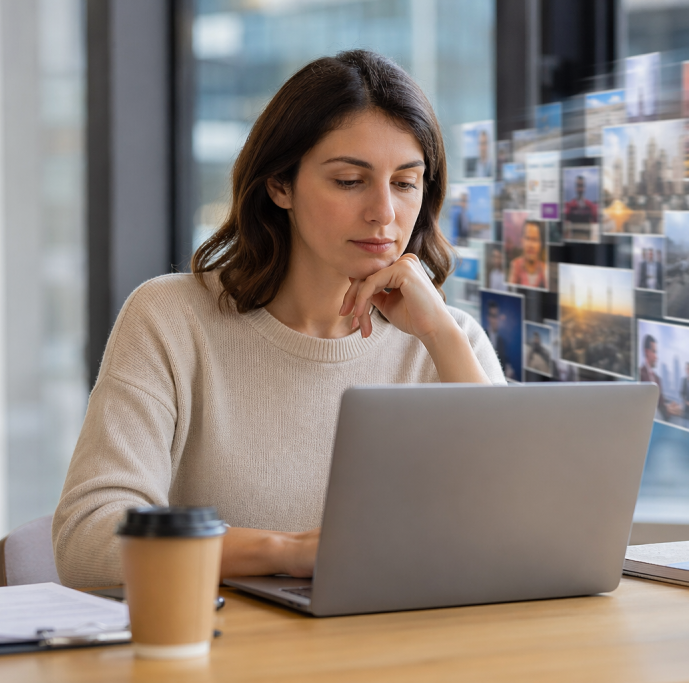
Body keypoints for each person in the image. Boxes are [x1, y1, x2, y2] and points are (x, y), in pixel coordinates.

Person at [52, 50, 505, 588]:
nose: (384, 212)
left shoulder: (449, 340)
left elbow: (517, 530)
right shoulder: (170, 318)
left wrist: (441, 336)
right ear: (280, 186)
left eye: (405, 183)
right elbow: (88, 539)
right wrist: (285, 551)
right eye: (349, 181)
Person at [639, 335, 680, 421]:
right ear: (647, 352)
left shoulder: (657, 379)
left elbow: (660, 404)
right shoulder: (640, 375)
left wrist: (668, 408)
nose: (657, 357)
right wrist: (666, 409)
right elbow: (644, 407)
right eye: (654, 352)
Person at [508, 220, 548, 289]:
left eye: (535, 239)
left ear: (540, 244)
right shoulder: (516, 265)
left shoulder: (544, 268)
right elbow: (510, 292)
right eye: (527, 238)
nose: (531, 245)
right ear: (522, 241)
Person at [485, 299, 513, 379]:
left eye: (497, 316)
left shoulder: (502, 341)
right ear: (488, 317)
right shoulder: (482, 336)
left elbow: (505, 363)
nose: (495, 320)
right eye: (493, 316)